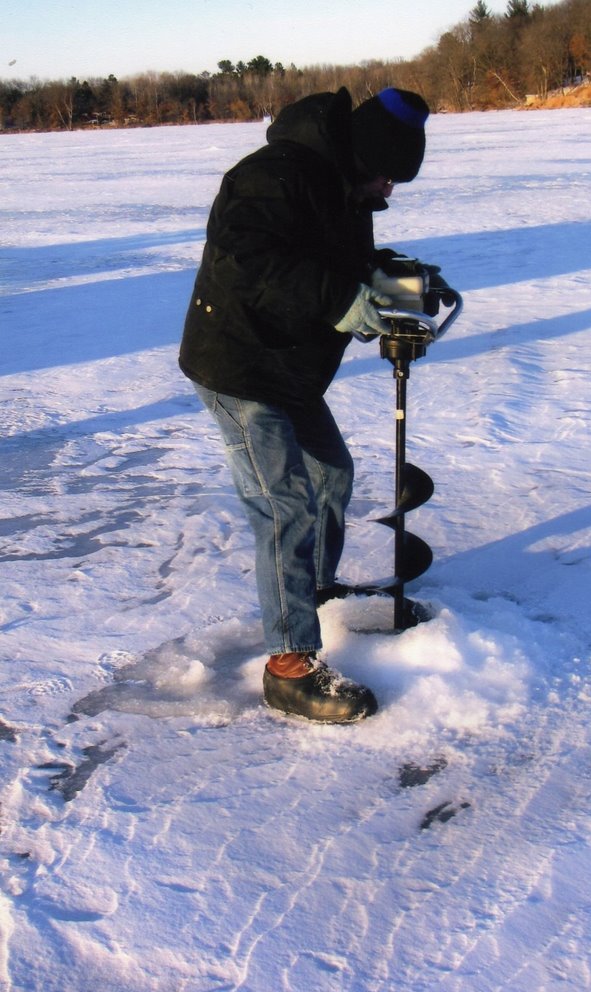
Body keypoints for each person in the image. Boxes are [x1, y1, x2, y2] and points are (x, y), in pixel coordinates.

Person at [179, 86, 431, 724]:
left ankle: (311, 591)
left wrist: (407, 284)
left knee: (331, 476)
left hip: (287, 366)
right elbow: (250, 260)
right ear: (361, 156)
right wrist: (344, 304)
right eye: (385, 176)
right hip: (238, 363)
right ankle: (288, 664)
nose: (387, 191)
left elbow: (341, 261)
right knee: (283, 503)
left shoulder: (343, 185)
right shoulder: (270, 177)